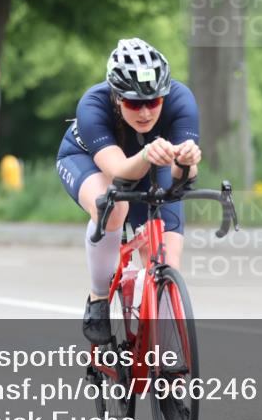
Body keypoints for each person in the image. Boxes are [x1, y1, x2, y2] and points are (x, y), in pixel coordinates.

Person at [56, 38, 202, 342]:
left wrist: (186, 162)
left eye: (154, 101)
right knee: (111, 208)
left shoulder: (181, 100)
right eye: (135, 103)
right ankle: (98, 298)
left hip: (151, 161)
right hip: (90, 161)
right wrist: (149, 154)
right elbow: (120, 173)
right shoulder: (93, 104)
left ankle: (166, 357)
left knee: (165, 263)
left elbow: (181, 179)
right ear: (117, 96)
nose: (146, 112)